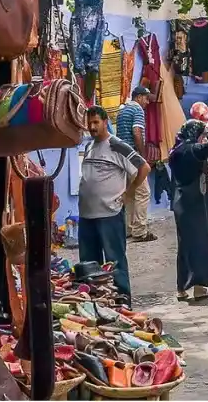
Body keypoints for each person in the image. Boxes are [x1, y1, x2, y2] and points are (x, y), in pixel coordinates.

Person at [79, 105, 151, 305]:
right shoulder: (88, 146)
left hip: (109, 215)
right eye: (89, 123)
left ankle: (122, 302)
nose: (92, 127)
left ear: (104, 122)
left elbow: (144, 167)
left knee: (114, 261)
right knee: (89, 265)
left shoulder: (117, 145)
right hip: (86, 216)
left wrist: (129, 191)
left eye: (96, 122)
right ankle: (96, 303)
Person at [168, 120, 208, 302]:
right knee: (200, 243)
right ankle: (199, 288)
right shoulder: (193, 150)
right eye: (199, 134)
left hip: (180, 203)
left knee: (184, 245)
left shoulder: (175, 151)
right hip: (195, 203)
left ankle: (181, 288)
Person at [117, 86, 157, 242]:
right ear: (139, 97)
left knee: (129, 193)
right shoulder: (137, 109)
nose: (147, 102)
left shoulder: (122, 110)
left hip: (122, 156)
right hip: (133, 155)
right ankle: (140, 230)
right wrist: (142, 155)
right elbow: (137, 132)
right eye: (146, 98)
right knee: (143, 192)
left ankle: (128, 229)